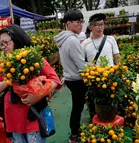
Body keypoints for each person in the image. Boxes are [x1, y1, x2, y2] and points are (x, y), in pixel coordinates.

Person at [0, 24, 62, 143]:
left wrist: (38, 95)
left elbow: (55, 80)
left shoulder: (35, 60)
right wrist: (9, 79)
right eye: (1, 43)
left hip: (32, 115)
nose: (3, 47)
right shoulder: (4, 64)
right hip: (13, 117)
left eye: (5, 43)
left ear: (17, 41)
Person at [54, 9, 87, 143]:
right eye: (78, 22)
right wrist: (90, 68)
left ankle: (75, 131)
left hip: (69, 77)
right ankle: (74, 135)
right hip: (77, 79)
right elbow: (80, 65)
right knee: (77, 107)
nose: (81, 25)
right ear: (69, 23)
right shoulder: (72, 40)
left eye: (82, 22)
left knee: (77, 106)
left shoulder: (63, 39)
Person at [81, 13, 120, 125]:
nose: (100, 27)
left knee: (112, 101)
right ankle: (96, 124)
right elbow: (81, 61)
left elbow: (117, 56)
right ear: (90, 27)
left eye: (102, 24)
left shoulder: (111, 39)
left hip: (110, 77)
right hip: (94, 79)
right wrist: (89, 65)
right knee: (95, 101)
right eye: (96, 25)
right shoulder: (85, 44)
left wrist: (119, 70)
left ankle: (111, 124)